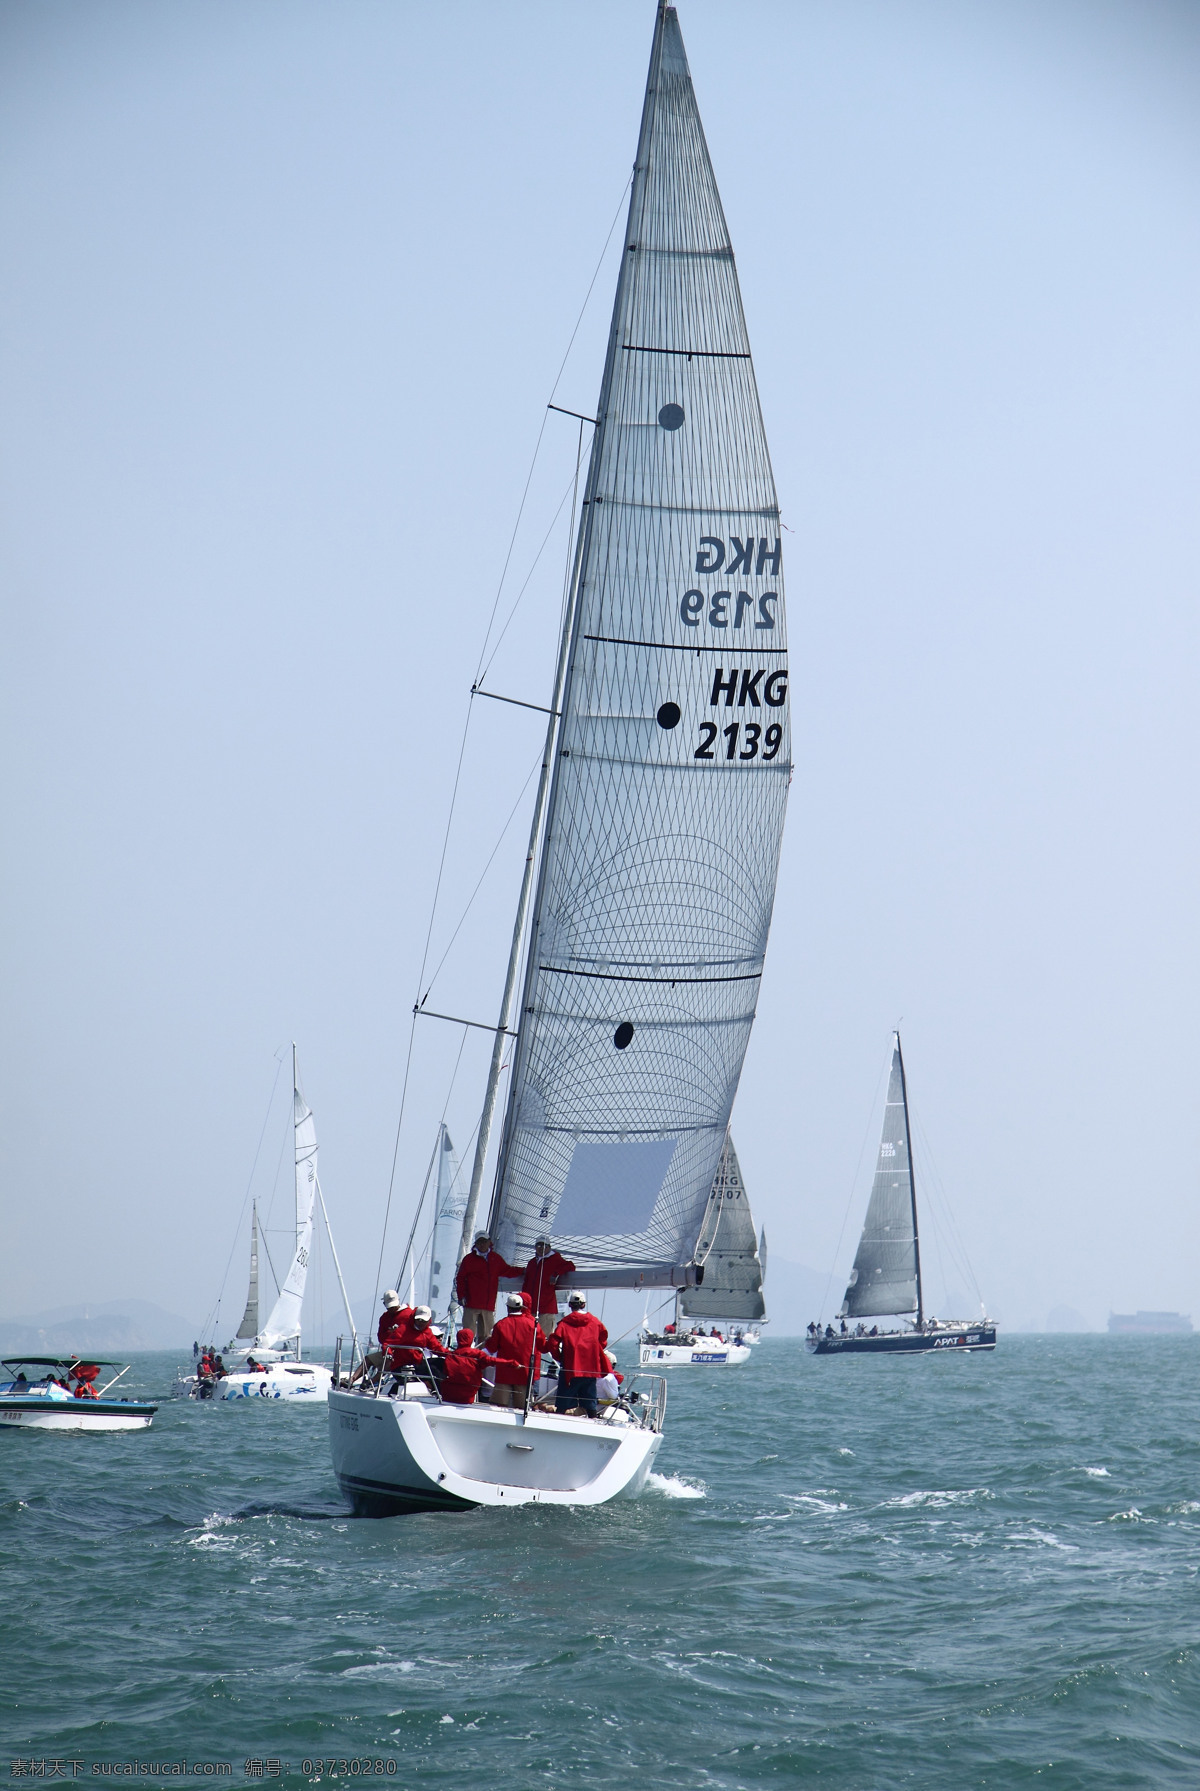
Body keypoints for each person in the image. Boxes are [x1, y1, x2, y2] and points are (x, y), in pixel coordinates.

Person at [549, 1292, 608, 1418]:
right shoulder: (595, 1322)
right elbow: (603, 1340)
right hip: (590, 1369)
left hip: (570, 1369)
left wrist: (560, 1358)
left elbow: (553, 1343)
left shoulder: (564, 1323)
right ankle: (594, 1424)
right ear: (584, 1304)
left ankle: (557, 1425)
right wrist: (594, 1352)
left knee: (562, 1404)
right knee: (590, 1402)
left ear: (570, 1305)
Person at [485, 1293, 549, 1407]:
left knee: (499, 1406)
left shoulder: (500, 1325)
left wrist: (488, 1340)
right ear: (522, 1307)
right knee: (522, 1407)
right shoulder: (533, 1324)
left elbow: (491, 1348)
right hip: (524, 1372)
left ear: (508, 1307)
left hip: (504, 1372)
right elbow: (542, 1345)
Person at [454, 1234, 518, 1343]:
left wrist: (525, 1271)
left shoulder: (495, 1258)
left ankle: (484, 1356)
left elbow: (507, 1270)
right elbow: (460, 1278)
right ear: (476, 1244)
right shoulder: (469, 1259)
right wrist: (461, 1296)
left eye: (484, 1241)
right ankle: (467, 1355)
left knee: (487, 1336)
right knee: (467, 1334)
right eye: (479, 1242)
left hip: (488, 1306)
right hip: (471, 1304)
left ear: (489, 1242)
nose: (482, 1244)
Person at [520, 1237, 577, 1328]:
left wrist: (556, 1274)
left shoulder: (555, 1259)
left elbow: (570, 1266)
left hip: (546, 1308)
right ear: (535, 1247)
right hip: (530, 1308)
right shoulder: (532, 1263)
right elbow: (526, 1282)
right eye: (539, 1245)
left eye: (544, 1245)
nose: (541, 1247)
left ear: (549, 1247)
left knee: (544, 1337)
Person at [438, 1328, 500, 1406]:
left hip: (449, 1394)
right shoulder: (479, 1354)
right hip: (472, 1395)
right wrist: (512, 1363)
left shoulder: (451, 1356)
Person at [384, 1305, 447, 1373]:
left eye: (424, 1321)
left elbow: (436, 1348)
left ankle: (444, 1383)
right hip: (401, 1365)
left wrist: (452, 1354)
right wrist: (388, 1355)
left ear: (429, 1320)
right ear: (414, 1318)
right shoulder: (403, 1330)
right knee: (433, 1371)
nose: (420, 1323)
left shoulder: (427, 1332)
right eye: (418, 1320)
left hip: (417, 1363)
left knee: (441, 1363)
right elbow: (387, 1344)